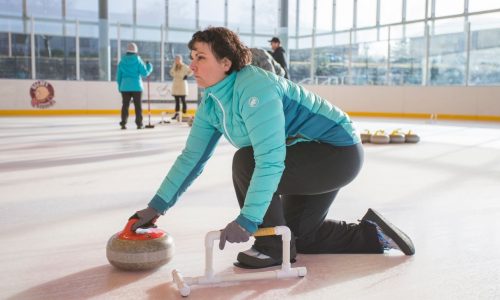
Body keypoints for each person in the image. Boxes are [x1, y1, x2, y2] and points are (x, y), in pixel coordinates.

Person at [129, 27, 415, 269]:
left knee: (246, 161)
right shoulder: (211, 104)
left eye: (201, 57)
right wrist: (157, 206)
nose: (193, 66)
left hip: (336, 152)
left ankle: (271, 247)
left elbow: (269, 159)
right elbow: (191, 158)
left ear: (226, 63)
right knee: (301, 235)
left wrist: (249, 220)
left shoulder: (254, 86)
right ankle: (375, 235)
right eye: (192, 57)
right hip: (308, 153)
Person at [117, 42, 153, 130]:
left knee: (125, 105)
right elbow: (145, 73)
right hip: (137, 86)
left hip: (124, 87)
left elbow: (118, 76)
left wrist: (119, 87)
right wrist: (149, 67)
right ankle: (139, 124)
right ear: (135, 51)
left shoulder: (122, 61)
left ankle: (123, 123)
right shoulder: (138, 60)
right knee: (138, 106)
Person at [169, 55, 193, 119]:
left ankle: (184, 114)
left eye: (178, 60)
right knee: (177, 101)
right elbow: (171, 72)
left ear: (181, 60)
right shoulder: (174, 66)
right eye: (176, 60)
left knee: (183, 100)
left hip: (182, 85)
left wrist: (187, 75)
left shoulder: (184, 66)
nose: (177, 61)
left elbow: (191, 71)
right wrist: (173, 74)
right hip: (176, 84)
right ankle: (177, 114)